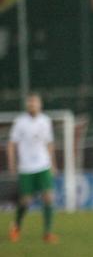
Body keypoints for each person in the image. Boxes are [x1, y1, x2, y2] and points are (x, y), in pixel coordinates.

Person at [7, 93, 58, 243]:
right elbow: (11, 144)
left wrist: (53, 164)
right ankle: (16, 226)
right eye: (30, 102)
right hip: (26, 167)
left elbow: (49, 143)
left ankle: (47, 233)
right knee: (26, 201)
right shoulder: (20, 122)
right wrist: (12, 163)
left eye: (35, 102)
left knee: (48, 196)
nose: (32, 105)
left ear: (40, 105)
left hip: (43, 165)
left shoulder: (45, 121)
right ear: (26, 105)